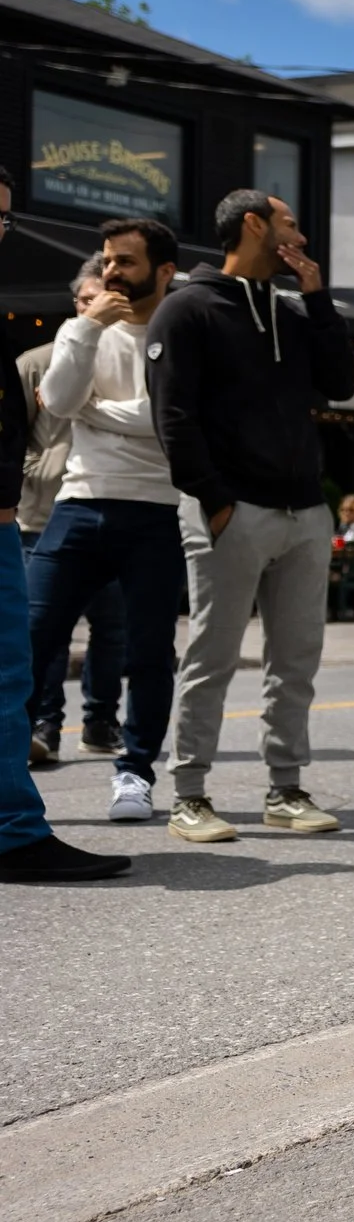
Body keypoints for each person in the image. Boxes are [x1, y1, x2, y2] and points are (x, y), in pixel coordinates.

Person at [147, 188, 354, 843]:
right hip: (230, 511)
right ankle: (189, 795)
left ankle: (286, 789)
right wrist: (214, 502)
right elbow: (173, 418)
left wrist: (317, 294)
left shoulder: (295, 311)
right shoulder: (187, 308)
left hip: (304, 510)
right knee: (212, 657)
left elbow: (342, 380)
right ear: (253, 224)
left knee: (295, 661)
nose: (300, 234)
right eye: (289, 223)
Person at [24, 217, 189, 824]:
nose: (111, 272)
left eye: (125, 262)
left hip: (157, 510)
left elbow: (170, 421)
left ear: (164, 271)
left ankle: (135, 774)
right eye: (107, 260)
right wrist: (88, 328)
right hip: (76, 505)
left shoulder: (182, 332)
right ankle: (7, 769)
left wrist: (98, 412)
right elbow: (63, 403)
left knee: (148, 650)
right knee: (29, 639)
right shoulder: (82, 327)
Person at [0, 165, 131, 881]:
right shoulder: (34, 355)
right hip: (27, 516)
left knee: (44, 652)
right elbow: (39, 417)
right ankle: (16, 824)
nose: (3, 230)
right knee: (22, 657)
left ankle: (19, 821)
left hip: (69, 508)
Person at [20, 263, 128, 766]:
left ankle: (101, 721)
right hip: (39, 519)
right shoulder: (37, 362)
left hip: (103, 508)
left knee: (112, 628)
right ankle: (45, 726)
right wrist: (37, 471)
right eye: (85, 299)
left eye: (100, 298)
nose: (92, 307)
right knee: (49, 628)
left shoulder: (123, 352)